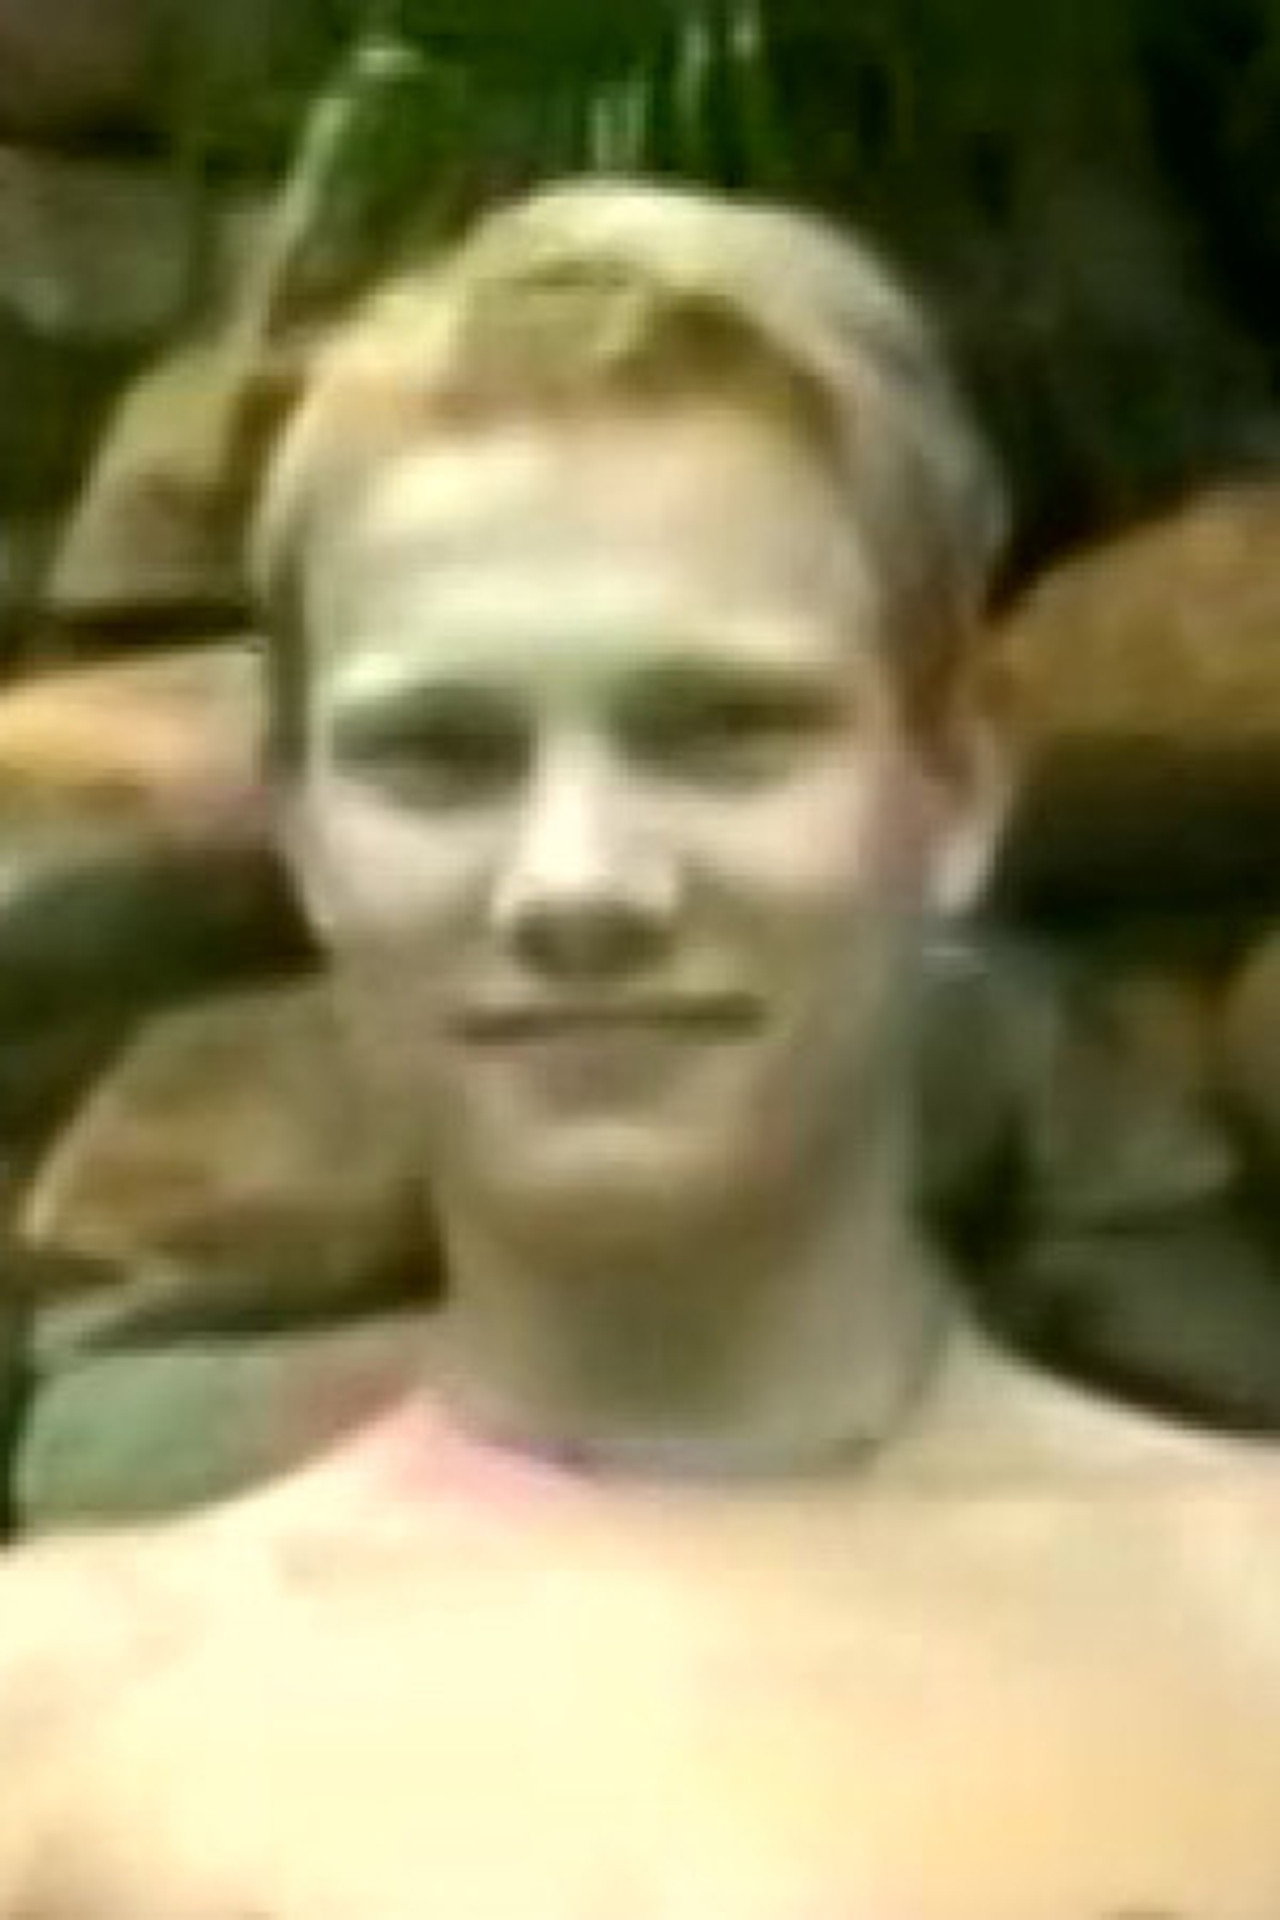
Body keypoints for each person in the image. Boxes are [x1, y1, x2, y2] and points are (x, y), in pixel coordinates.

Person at [2, 176, 1278, 1918]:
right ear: (303, 837)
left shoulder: (1247, 1646)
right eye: (443, 756)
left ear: (958, 786)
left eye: (721, 730)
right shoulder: (63, 1733)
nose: (580, 882)